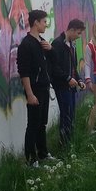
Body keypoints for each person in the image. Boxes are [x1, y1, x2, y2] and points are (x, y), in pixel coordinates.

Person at [17, 9, 56, 167]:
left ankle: (43, 153)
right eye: (44, 22)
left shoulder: (41, 41)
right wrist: (30, 94)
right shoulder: (26, 45)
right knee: (33, 124)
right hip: (34, 90)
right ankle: (30, 159)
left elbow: (53, 61)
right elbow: (24, 72)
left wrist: (50, 49)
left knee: (42, 123)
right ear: (36, 22)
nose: (46, 25)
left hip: (44, 88)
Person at [49, 19, 86, 146]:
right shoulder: (58, 44)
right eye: (78, 33)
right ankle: (64, 143)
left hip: (71, 86)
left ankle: (70, 140)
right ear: (71, 30)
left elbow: (73, 66)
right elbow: (54, 67)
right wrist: (68, 78)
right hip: (62, 85)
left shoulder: (72, 44)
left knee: (71, 113)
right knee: (65, 113)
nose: (79, 36)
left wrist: (79, 79)